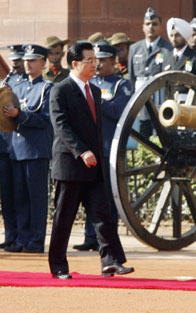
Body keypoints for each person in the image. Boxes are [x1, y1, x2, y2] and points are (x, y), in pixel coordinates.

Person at [48, 42, 134, 279]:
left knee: (103, 215)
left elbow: (96, 129)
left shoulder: (94, 91)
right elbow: (61, 126)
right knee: (64, 218)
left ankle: (111, 262)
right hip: (70, 164)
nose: (94, 64)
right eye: (89, 60)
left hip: (94, 165)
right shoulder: (60, 90)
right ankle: (58, 267)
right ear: (75, 64)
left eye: (95, 60)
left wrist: (95, 153)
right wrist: (81, 151)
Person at [73, 43, 132, 252]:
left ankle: (107, 239)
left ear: (114, 62)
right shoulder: (89, 84)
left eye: (103, 60)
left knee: (107, 197)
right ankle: (91, 236)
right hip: (91, 149)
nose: (98, 64)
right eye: (95, 60)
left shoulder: (120, 85)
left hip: (109, 148)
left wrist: (96, 100)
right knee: (89, 195)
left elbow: (119, 110)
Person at [3, 44, 53, 253]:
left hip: (36, 150)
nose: (28, 63)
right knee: (20, 198)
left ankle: (35, 240)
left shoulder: (47, 88)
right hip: (17, 149)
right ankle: (22, 238)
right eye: (27, 60)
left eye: (33, 60)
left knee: (36, 199)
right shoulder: (18, 86)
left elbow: (45, 119)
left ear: (42, 63)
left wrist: (20, 116)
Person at [127, 7, 172, 137]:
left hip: (159, 99)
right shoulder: (134, 48)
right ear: (143, 27)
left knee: (158, 133)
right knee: (141, 133)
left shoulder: (168, 48)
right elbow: (131, 78)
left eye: (154, 24)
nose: (151, 27)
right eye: (147, 24)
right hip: (140, 99)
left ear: (161, 27)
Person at [0, 45, 27, 249]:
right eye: (14, 59)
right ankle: (10, 235)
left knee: (17, 195)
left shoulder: (17, 85)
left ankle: (19, 236)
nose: (15, 63)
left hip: (13, 147)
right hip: (3, 146)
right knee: (6, 196)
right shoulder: (8, 83)